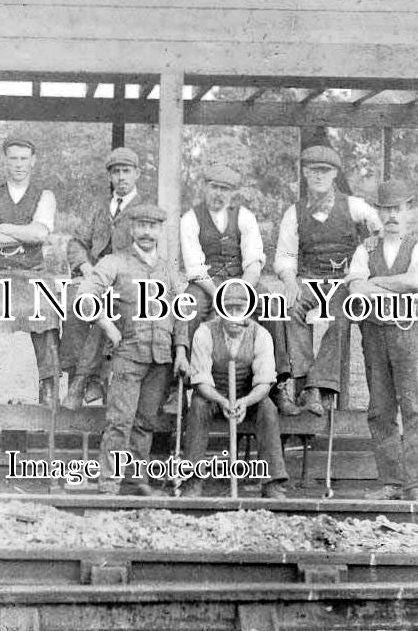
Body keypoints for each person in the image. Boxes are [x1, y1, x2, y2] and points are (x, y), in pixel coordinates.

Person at [78, 203, 190, 496]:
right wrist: (107, 325)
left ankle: (136, 480)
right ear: (131, 229)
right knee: (120, 420)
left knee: (145, 422)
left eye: (152, 227)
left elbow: (181, 313)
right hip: (128, 354)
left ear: (159, 231)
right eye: (141, 226)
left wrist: (180, 351)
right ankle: (108, 483)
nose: (146, 233)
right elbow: (86, 294)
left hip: (161, 357)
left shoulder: (168, 269)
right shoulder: (115, 262)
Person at [346, 179, 418, 501]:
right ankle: (390, 482)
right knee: (380, 409)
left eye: (398, 209)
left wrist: (375, 282)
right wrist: (382, 285)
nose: (392, 216)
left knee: (413, 407)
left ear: (408, 211)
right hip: (373, 333)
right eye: (386, 209)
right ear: (378, 212)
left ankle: (416, 484)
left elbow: (415, 280)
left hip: (408, 333)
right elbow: (356, 288)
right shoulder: (365, 249)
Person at [274, 145, 382, 415]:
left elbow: (379, 228)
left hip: (341, 281)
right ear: (305, 174)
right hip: (308, 279)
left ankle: (318, 387)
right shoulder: (294, 213)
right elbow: (285, 256)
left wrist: (367, 248)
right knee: (290, 309)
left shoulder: (354, 206)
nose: (319, 176)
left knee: (340, 318)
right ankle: (304, 383)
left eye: (325, 171)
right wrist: (289, 282)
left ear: (334, 174)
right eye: (313, 171)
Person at [179, 164, 295, 414]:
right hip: (206, 284)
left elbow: (253, 260)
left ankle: (279, 384)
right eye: (214, 187)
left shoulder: (244, 216)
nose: (218, 193)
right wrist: (220, 295)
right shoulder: (190, 219)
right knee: (187, 306)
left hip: (242, 281)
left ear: (232, 193)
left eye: (225, 189)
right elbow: (195, 267)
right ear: (204, 187)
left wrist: (241, 290)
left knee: (272, 304)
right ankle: (181, 383)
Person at [0, 136, 60, 408]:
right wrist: (26, 232)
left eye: (24, 158)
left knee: (47, 309)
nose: (19, 164)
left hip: (33, 272)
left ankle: (48, 384)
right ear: (5, 160)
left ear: (33, 161)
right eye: (13, 158)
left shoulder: (45, 195)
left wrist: (3, 227)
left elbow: (41, 234)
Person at [180, 284, 288, 499]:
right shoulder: (205, 332)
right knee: (199, 405)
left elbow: (265, 382)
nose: (235, 316)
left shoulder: (261, 335)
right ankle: (191, 481)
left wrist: (246, 402)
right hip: (214, 395)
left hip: (248, 397)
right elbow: (200, 380)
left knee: (267, 408)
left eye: (240, 310)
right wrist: (222, 401)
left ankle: (272, 482)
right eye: (229, 310)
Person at [62, 147, 144, 409]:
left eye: (126, 171)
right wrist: (86, 268)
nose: (121, 177)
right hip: (94, 278)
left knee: (105, 307)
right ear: (110, 176)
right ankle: (83, 377)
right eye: (116, 172)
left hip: (125, 282)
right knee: (73, 302)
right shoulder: (99, 209)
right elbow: (76, 242)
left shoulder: (144, 210)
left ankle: (86, 379)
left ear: (137, 174)